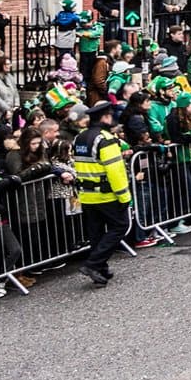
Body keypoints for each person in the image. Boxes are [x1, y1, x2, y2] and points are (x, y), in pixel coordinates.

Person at [72, 101, 131, 287]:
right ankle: (93, 264)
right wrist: (124, 196)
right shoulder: (105, 140)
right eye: (110, 115)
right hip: (106, 194)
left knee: (96, 233)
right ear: (105, 117)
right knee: (120, 226)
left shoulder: (80, 138)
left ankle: (101, 270)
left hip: (87, 194)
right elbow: (116, 171)